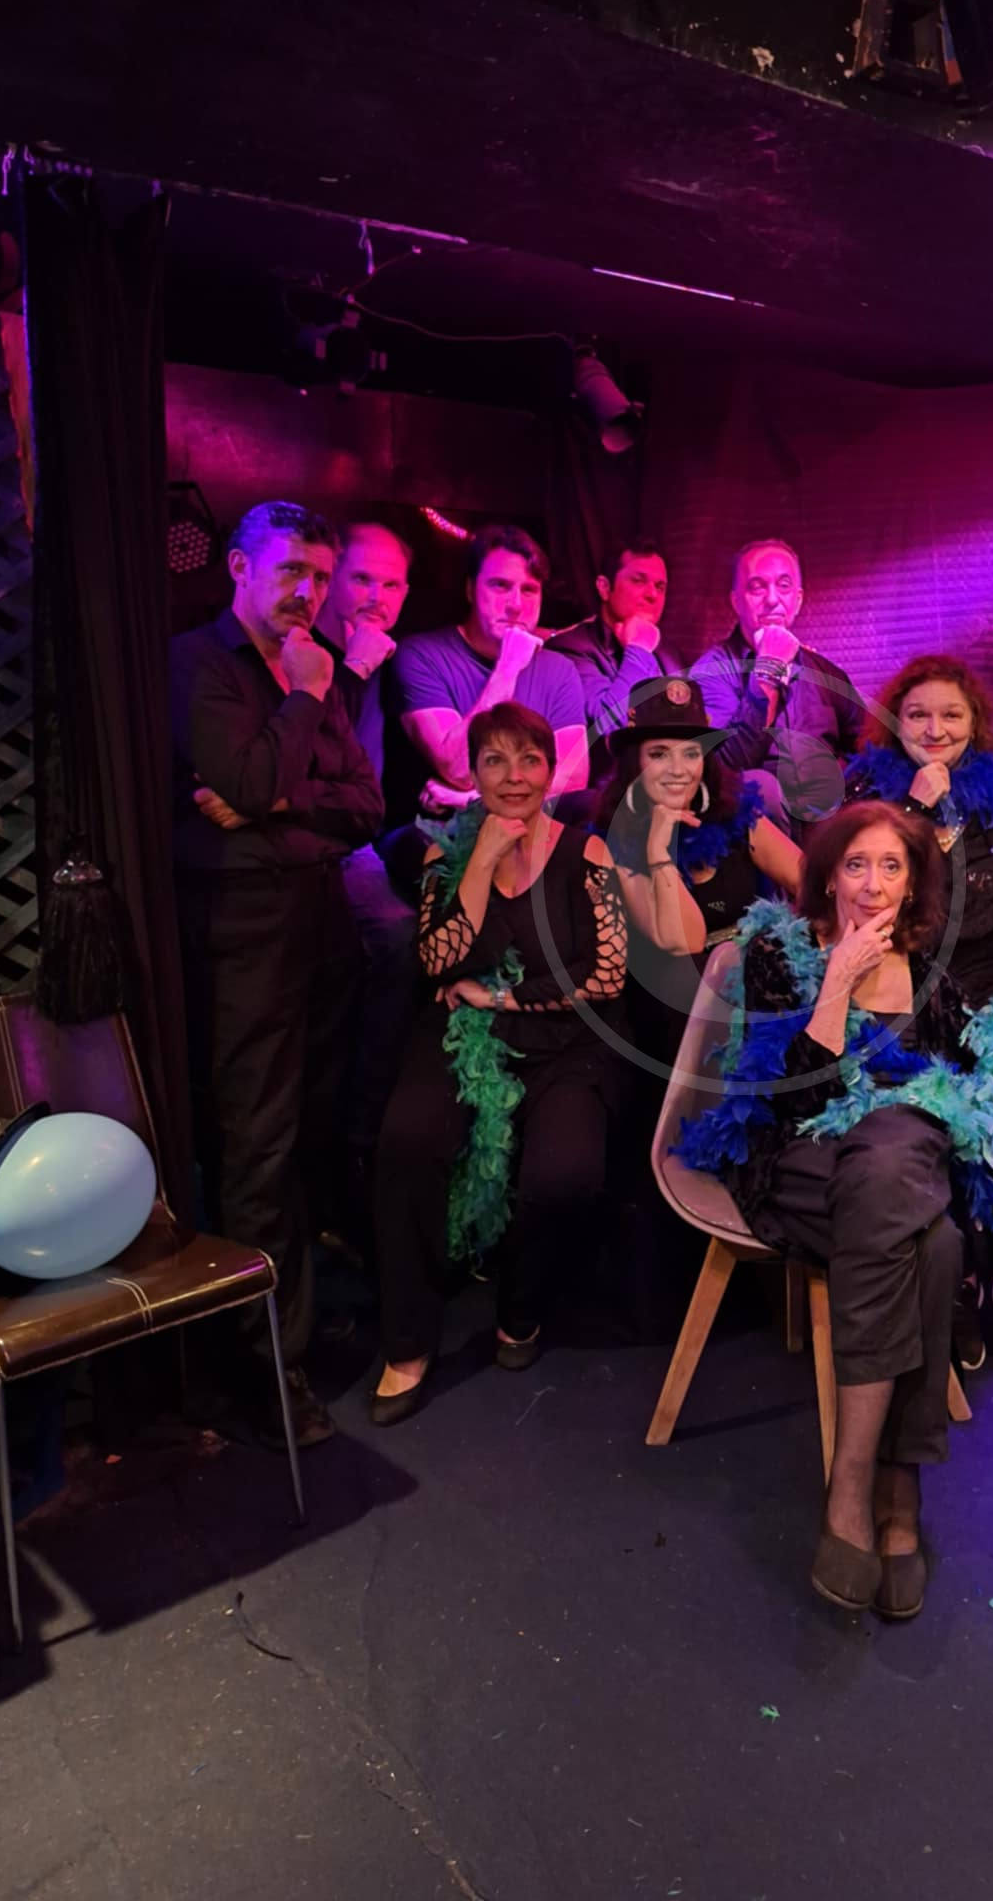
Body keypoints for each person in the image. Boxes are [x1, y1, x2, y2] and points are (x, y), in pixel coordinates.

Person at [676, 802, 993, 1618]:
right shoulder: (777, 955)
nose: (874, 884)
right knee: (928, 1234)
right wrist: (839, 981)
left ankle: (863, 1486)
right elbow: (784, 1100)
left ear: (914, 884)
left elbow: (984, 1079)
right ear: (827, 877)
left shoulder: (928, 975)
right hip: (800, 1161)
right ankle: (886, 1488)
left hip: (890, 1177)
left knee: (904, 1169)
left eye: (892, 867)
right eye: (856, 864)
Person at [170, 501, 384, 1449]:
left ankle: (288, 1316)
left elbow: (366, 804)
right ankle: (266, 1365)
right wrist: (299, 706)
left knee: (309, 1133)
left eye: (321, 577)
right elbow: (250, 782)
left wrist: (279, 801)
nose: (309, 591)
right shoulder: (199, 662)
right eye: (292, 569)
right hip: (245, 930)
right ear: (240, 567)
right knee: (255, 1144)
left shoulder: (314, 666)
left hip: (320, 922)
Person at [370, 703, 630, 1423]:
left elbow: (607, 974)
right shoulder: (443, 857)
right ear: (473, 774)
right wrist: (481, 861)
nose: (513, 776)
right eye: (494, 760)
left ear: (550, 771)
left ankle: (521, 1305)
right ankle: (408, 1344)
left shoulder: (588, 853)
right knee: (408, 1142)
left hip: (564, 1042)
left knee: (566, 1175)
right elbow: (438, 960)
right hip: (462, 1035)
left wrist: (503, 996)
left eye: (528, 759)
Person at [845, 654, 993, 1340]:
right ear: (895, 724)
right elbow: (864, 902)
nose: (935, 729)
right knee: (928, 1105)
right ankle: (957, 1270)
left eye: (951, 714)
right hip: (909, 987)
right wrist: (914, 807)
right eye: (918, 715)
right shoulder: (868, 796)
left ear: (976, 721)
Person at [594, 674, 803, 1069]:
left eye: (690, 753)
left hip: (755, 990)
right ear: (635, 763)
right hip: (674, 1017)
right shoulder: (616, 845)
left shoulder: (738, 816)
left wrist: (791, 941)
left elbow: (813, 880)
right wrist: (657, 851)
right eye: (659, 754)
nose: (678, 769)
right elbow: (685, 941)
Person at [314, 520, 419, 1225]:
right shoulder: (317, 658)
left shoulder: (381, 659)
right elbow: (309, 764)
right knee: (398, 939)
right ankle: (358, 1140)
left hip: (366, 837)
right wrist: (350, 669)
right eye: (361, 578)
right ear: (329, 583)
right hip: (320, 849)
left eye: (391, 583)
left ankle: (394, 1136)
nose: (377, 596)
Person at [386, 524, 587, 822]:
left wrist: (473, 800)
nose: (516, 605)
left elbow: (573, 780)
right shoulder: (421, 655)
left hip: (529, 831)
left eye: (529, 590)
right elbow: (459, 770)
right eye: (500, 586)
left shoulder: (560, 669)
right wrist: (508, 667)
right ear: (470, 589)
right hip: (442, 832)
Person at [690, 539, 862, 833]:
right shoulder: (711, 673)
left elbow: (868, 745)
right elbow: (725, 766)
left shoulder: (826, 673)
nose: (772, 599)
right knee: (763, 785)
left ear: (798, 599)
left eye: (784, 586)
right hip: (756, 829)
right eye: (757, 587)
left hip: (826, 825)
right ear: (736, 601)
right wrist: (768, 671)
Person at [545, 544, 683, 768]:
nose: (652, 594)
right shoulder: (570, 650)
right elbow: (611, 726)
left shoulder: (668, 653)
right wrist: (638, 650)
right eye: (638, 581)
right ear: (604, 587)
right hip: (608, 785)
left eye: (660, 587)